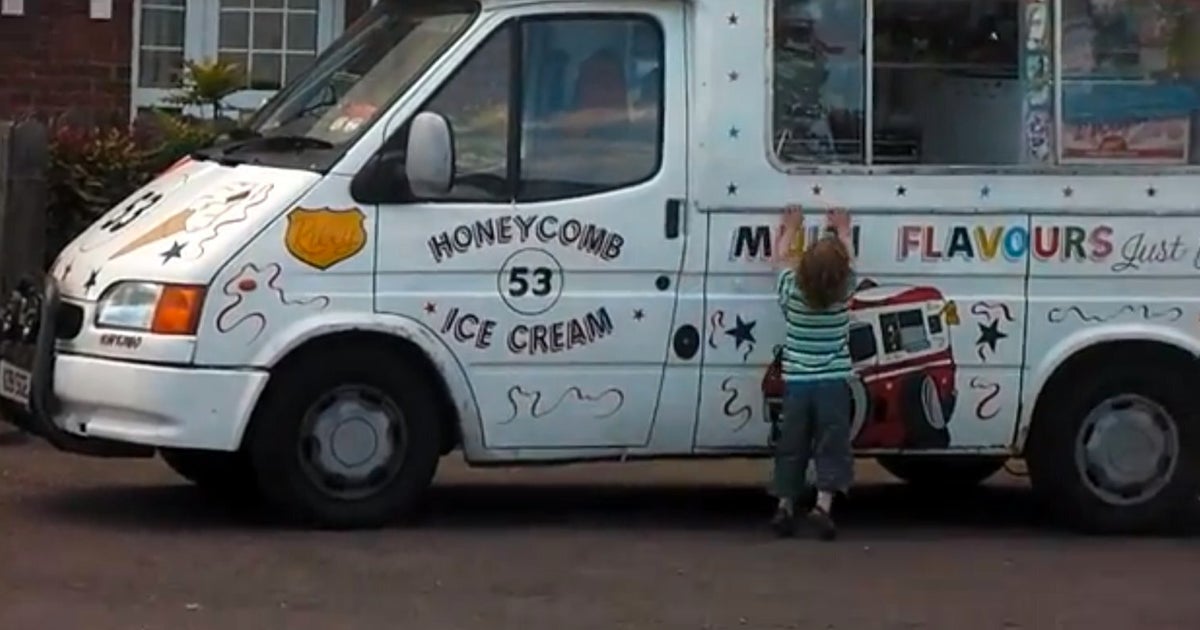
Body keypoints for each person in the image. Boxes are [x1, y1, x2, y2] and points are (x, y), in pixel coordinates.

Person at [769, 204, 857, 541]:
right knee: (831, 444)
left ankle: (785, 505)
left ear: (802, 268)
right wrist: (843, 230)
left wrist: (790, 228)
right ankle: (823, 505)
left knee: (792, 444)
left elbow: (778, 260)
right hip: (833, 384)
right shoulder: (843, 295)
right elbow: (849, 261)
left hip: (798, 385)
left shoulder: (792, 292)